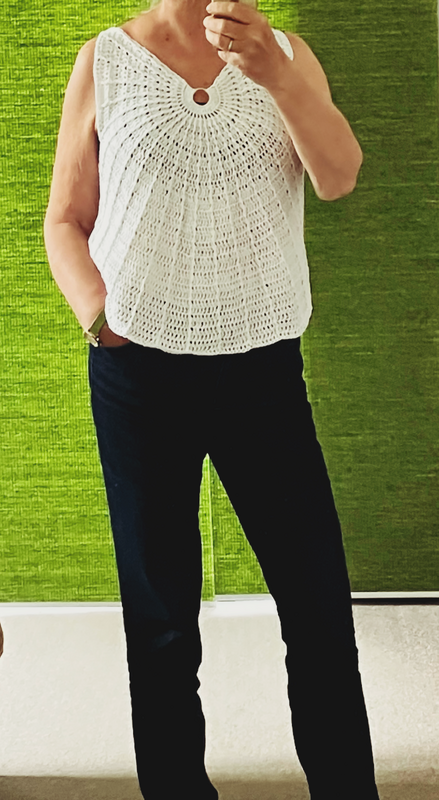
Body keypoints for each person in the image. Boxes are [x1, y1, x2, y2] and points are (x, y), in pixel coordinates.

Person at [44, 1, 381, 798]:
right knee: (161, 624)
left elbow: (338, 177)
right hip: (136, 375)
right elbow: (65, 218)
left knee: (318, 611)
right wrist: (98, 317)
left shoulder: (286, 55)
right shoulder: (105, 60)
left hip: (261, 371)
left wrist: (275, 76)